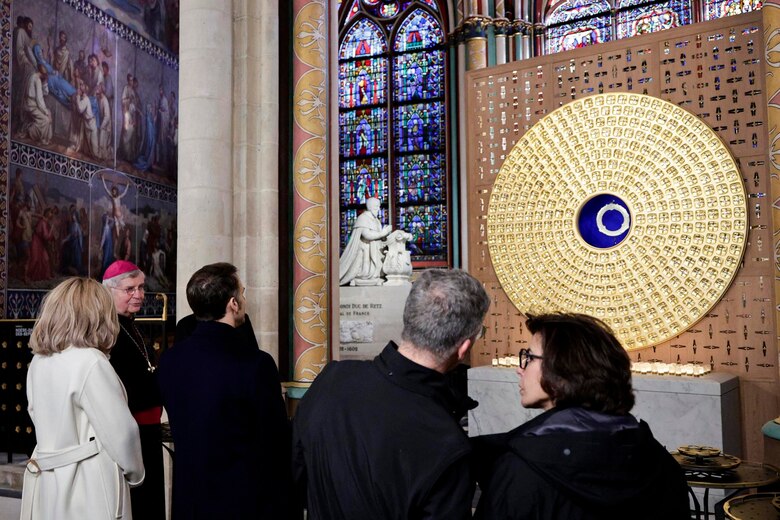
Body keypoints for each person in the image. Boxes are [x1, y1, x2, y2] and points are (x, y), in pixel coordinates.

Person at [293, 268, 490, 519]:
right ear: (464, 347)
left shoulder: (332, 379)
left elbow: (295, 476)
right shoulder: (447, 443)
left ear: (409, 318)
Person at [473, 313, 691, 520]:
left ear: (562, 372)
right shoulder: (661, 463)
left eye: (529, 357)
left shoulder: (521, 469)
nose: (520, 369)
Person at [158, 262, 292, 518]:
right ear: (233, 304)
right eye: (242, 293)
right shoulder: (256, 363)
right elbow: (275, 442)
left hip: (189, 500)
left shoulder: (170, 360)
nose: (244, 299)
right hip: (241, 500)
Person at [20, 277, 144, 519]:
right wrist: (135, 474)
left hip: (48, 479)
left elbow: (34, 412)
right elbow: (121, 432)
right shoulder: (90, 361)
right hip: (89, 482)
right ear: (98, 314)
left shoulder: (40, 360)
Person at [103, 260, 165, 520]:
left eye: (141, 287)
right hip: (129, 433)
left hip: (149, 431)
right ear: (109, 291)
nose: (138, 295)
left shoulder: (132, 326)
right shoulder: (106, 332)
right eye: (129, 289)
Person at [338, 197, 392, 285]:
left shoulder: (376, 220)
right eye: (376, 207)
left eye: (379, 206)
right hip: (366, 248)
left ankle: (375, 276)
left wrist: (384, 234)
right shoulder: (362, 218)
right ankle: (365, 277)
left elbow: (378, 234)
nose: (379, 209)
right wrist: (383, 233)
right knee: (365, 270)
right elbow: (367, 235)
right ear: (370, 207)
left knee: (377, 267)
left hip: (376, 248)